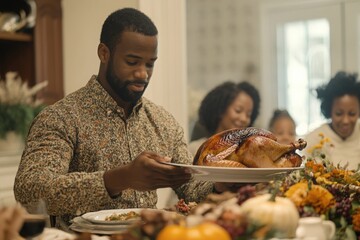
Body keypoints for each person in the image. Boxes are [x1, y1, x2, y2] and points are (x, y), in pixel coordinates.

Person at [14, 8, 226, 229]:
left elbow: (191, 190)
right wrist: (118, 179)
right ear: (104, 53)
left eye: (150, 64)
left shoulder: (163, 122)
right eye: (132, 62)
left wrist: (223, 185)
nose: (143, 74)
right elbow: (30, 191)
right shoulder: (61, 117)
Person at [304, 71, 360, 170]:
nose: (345, 121)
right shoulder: (314, 140)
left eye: (352, 114)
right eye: (339, 114)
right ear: (329, 111)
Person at [188, 81, 261, 155]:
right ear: (221, 110)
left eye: (248, 115)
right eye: (238, 111)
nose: (244, 119)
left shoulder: (248, 153)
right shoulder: (196, 149)